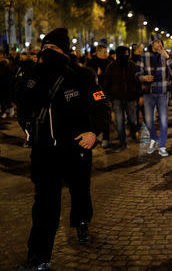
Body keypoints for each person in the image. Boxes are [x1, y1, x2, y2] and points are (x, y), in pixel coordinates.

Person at [16, 28, 109, 271]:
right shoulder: (32, 75)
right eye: (45, 48)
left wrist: (93, 132)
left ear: (64, 51)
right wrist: (28, 128)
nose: (48, 53)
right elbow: (22, 106)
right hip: (44, 152)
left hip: (76, 147)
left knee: (80, 192)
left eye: (53, 48)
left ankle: (81, 221)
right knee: (44, 207)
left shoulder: (83, 75)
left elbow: (101, 105)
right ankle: (39, 257)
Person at [137, 35, 172, 157]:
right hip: (149, 92)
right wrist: (144, 78)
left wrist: (168, 58)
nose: (159, 44)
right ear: (151, 44)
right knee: (148, 120)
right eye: (156, 42)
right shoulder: (144, 56)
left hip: (163, 92)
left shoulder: (166, 55)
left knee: (164, 120)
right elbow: (137, 74)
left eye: (160, 42)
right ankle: (154, 138)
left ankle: (162, 146)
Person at [103, 46, 140, 152]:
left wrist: (139, 95)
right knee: (119, 122)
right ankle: (122, 142)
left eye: (128, 53)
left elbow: (137, 81)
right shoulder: (111, 67)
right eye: (125, 53)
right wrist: (108, 99)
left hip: (131, 97)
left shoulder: (132, 65)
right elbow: (107, 83)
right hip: (117, 99)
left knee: (133, 120)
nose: (126, 55)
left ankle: (133, 133)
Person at [86, 44, 112, 148]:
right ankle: (97, 134)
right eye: (105, 52)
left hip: (106, 92)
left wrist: (101, 75)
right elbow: (88, 77)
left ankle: (106, 137)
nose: (106, 54)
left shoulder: (109, 63)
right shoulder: (91, 63)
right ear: (99, 52)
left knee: (105, 114)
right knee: (95, 114)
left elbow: (111, 78)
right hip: (94, 92)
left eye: (107, 52)